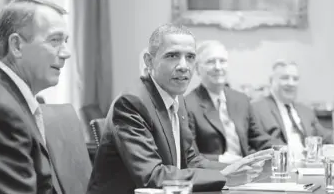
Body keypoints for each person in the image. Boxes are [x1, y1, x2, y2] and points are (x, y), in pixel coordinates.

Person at [87, 24, 272, 194]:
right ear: (149, 61)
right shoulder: (131, 103)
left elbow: (192, 161)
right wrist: (225, 177)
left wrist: (238, 167)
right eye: (172, 55)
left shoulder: (177, 99)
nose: (184, 66)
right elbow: (153, 176)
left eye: (190, 57)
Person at [0, 0, 71, 193]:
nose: (66, 53)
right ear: (16, 46)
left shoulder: (14, 99)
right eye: (55, 40)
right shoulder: (0, 110)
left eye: (66, 41)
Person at [186, 40, 276, 164]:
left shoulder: (241, 99)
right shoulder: (188, 105)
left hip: (247, 172)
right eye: (210, 62)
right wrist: (221, 160)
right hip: (215, 174)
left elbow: (259, 138)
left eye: (222, 61)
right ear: (197, 69)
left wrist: (278, 151)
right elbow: (190, 155)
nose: (218, 67)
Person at [252, 60, 332, 160]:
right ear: (271, 80)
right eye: (285, 78)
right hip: (280, 167)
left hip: (309, 166)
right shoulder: (257, 108)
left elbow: (324, 136)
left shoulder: (306, 110)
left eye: (295, 79)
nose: (291, 83)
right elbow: (259, 140)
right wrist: (286, 150)